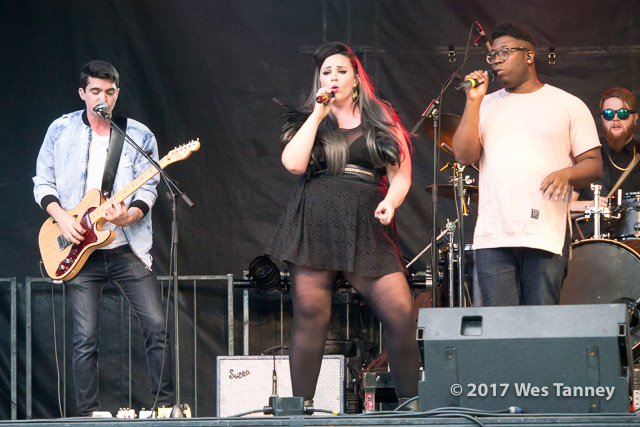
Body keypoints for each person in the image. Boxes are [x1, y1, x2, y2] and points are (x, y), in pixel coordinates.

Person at [267, 42, 420, 409]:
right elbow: (293, 164)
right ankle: (300, 407)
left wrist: (391, 201)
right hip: (316, 221)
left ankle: (412, 405)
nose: (333, 78)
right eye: (326, 72)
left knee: (400, 313)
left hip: (366, 223)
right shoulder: (312, 121)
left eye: (340, 71)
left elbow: (401, 175)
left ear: (356, 79)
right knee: (310, 317)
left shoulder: (381, 121)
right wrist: (318, 114)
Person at [33, 60, 174, 416]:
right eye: (95, 91)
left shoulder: (138, 135)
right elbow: (42, 182)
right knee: (85, 338)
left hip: (127, 248)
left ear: (117, 94)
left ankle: (165, 407)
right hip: (78, 250)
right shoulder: (60, 130)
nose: (103, 99)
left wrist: (127, 216)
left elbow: (149, 189)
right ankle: (88, 413)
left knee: (157, 326)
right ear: (82, 93)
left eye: (110, 92)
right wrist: (63, 218)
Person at [451, 22, 602, 306]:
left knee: (541, 321)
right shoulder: (484, 105)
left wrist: (567, 174)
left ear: (529, 56)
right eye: (492, 55)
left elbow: (593, 163)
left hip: (544, 232)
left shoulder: (567, 104)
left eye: (504, 52)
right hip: (494, 234)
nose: (496, 61)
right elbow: (463, 156)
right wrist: (472, 101)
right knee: (500, 324)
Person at [571, 88, 640, 236]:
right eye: (609, 114)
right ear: (602, 118)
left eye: (623, 113)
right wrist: (590, 205)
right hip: (592, 244)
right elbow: (563, 208)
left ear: (635, 118)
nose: (615, 118)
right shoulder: (588, 155)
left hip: (634, 245)